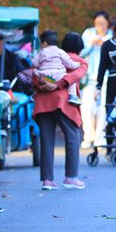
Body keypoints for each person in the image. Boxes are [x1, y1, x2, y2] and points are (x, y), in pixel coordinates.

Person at [33, 32, 88, 190]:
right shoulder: (79, 61)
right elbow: (74, 75)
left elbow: (34, 74)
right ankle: (70, 177)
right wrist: (57, 85)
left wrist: (42, 85)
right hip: (63, 102)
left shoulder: (43, 56)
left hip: (43, 101)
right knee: (73, 136)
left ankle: (47, 180)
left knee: (47, 140)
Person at [80, 11, 110, 148]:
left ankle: (100, 136)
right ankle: (88, 136)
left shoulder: (111, 35)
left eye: (103, 24)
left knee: (102, 108)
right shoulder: (88, 34)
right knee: (86, 107)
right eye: (98, 24)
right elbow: (81, 52)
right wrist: (92, 43)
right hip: (90, 78)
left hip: (105, 78)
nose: (100, 27)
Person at [34, 30, 82, 105]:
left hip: (45, 76)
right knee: (72, 82)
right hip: (57, 75)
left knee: (36, 73)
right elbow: (69, 63)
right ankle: (73, 96)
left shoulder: (41, 52)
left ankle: (34, 94)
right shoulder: (60, 51)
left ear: (44, 43)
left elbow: (35, 63)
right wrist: (77, 64)